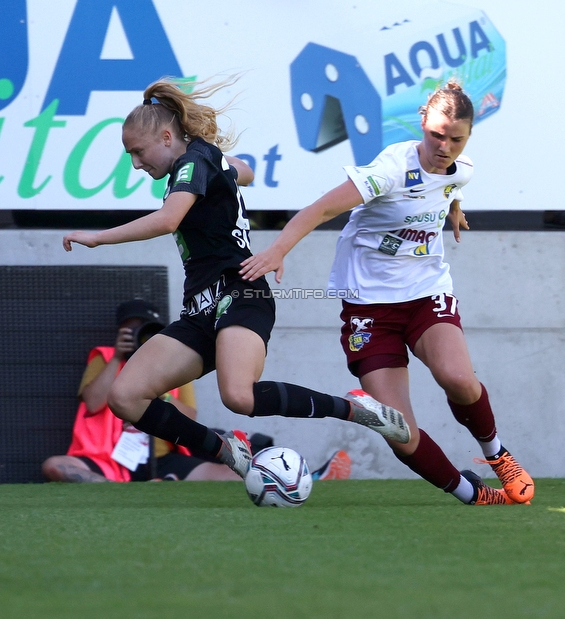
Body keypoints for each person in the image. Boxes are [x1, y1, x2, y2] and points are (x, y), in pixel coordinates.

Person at [62, 77, 409, 480]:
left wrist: (98, 237)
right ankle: (224, 449)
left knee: (239, 395)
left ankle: (355, 408)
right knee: (125, 396)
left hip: (240, 294)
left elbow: (168, 219)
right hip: (200, 310)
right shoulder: (203, 160)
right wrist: (227, 169)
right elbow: (246, 171)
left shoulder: (191, 162)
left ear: (167, 136)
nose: (137, 164)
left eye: (138, 152)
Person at [238, 78, 535, 506]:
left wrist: (453, 209)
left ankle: (498, 455)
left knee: (458, 379)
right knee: (397, 427)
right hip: (368, 309)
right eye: (436, 135)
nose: (444, 147)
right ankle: (473, 494)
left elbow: (451, 184)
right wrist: (279, 249)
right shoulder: (390, 171)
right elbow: (321, 208)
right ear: (422, 125)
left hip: (425, 293)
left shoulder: (462, 168)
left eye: (456, 138)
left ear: (467, 137)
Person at [42, 300, 354, 483]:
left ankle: (303, 480)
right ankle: (115, 489)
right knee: (55, 465)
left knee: (230, 474)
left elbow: (190, 416)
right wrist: (119, 358)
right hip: (108, 460)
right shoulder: (104, 356)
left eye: (147, 331)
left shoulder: (171, 361)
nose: (140, 338)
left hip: (164, 459)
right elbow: (93, 402)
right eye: (132, 330)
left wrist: (150, 400)